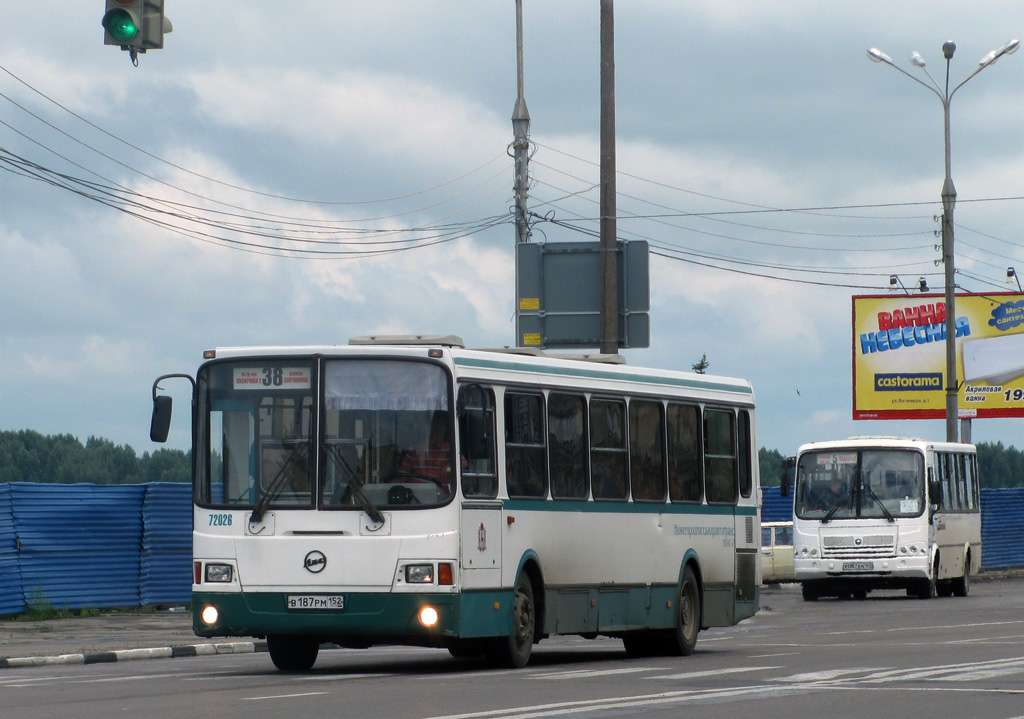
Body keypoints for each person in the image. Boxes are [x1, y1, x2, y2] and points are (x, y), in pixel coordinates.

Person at [399, 412, 466, 494]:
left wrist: (449, 468)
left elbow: (464, 463)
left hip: (445, 500)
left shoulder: (450, 449)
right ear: (428, 430)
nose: (437, 433)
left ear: (445, 431)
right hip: (416, 499)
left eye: (440, 429)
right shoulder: (415, 450)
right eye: (434, 428)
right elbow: (401, 478)